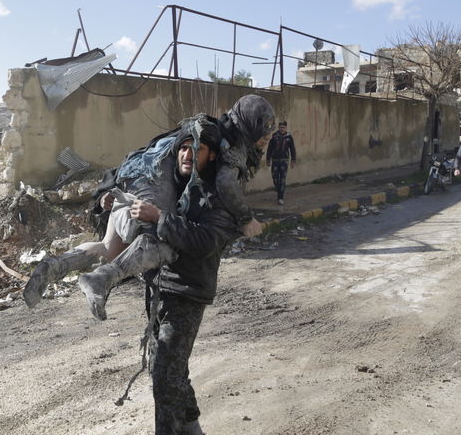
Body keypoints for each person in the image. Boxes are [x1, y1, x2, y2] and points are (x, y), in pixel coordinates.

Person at [23, 95, 275, 321]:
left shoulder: (214, 128)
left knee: (110, 247)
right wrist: (246, 218)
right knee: (161, 240)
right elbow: (225, 184)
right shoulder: (226, 141)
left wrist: (108, 197)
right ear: (251, 124)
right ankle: (101, 279)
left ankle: (51, 267)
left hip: (132, 174)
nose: (266, 139)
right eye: (265, 132)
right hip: (151, 177)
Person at [122, 124, 240, 435]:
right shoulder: (172, 186)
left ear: (212, 155)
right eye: (184, 147)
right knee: (173, 365)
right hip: (160, 287)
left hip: (189, 290)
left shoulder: (218, 194)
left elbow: (205, 241)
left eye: (199, 148)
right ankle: (191, 433)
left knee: (164, 370)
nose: (189, 154)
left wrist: (160, 218)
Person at [265, 120, 297, 205]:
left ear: (286, 128)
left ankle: (280, 197)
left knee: (282, 179)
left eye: (283, 127)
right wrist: (268, 159)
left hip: (284, 161)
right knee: (275, 178)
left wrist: (293, 160)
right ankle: (279, 190)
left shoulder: (289, 137)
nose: (282, 129)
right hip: (275, 161)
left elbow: (292, 149)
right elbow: (269, 148)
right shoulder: (275, 136)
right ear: (278, 127)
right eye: (280, 127)